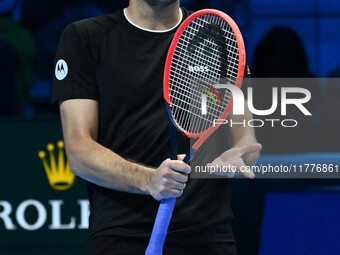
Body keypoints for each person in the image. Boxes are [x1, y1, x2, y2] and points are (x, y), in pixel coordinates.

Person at [52, 0, 261, 254]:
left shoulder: (216, 34)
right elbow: (79, 151)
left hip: (207, 235)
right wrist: (148, 179)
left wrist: (242, 156)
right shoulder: (85, 38)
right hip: (122, 233)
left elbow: (245, 137)